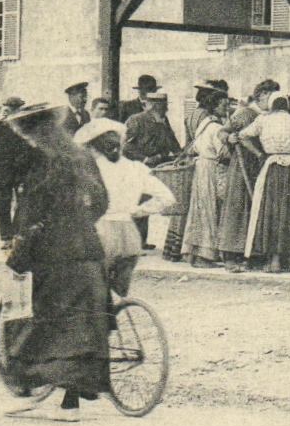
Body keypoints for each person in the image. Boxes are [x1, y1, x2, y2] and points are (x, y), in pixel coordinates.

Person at [0, 104, 111, 422]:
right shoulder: (82, 155)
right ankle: (69, 403)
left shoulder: (42, 160)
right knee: (82, 328)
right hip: (88, 249)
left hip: (54, 255)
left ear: (31, 132)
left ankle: (25, 389)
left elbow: (32, 212)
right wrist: (81, 223)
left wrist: (19, 249)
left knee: (37, 323)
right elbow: (101, 201)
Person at [75, 117, 175, 298]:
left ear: (93, 148)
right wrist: (137, 211)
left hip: (102, 234)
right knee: (117, 292)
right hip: (130, 236)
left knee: (91, 290)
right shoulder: (135, 168)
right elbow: (167, 198)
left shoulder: (92, 170)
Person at [241, 94, 290, 272]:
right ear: (287, 105)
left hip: (271, 167)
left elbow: (243, 136)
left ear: (272, 105)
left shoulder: (263, 120)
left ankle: (275, 260)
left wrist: (258, 153)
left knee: (271, 212)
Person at [216, 80, 280, 271]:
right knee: (237, 207)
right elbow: (222, 131)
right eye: (270, 95)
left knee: (257, 208)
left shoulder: (271, 115)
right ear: (262, 95)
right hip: (242, 166)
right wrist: (229, 138)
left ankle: (252, 255)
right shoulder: (245, 113)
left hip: (260, 165)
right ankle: (230, 255)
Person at [180, 87, 234, 268]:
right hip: (211, 168)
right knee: (210, 210)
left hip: (201, 168)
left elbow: (195, 147)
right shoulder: (217, 128)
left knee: (199, 211)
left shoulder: (204, 125)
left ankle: (193, 253)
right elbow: (223, 153)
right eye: (224, 105)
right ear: (215, 106)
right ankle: (205, 256)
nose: (226, 109)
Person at [122, 88, 180, 251]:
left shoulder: (163, 121)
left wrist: (179, 154)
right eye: (163, 106)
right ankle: (134, 242)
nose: (166, 109)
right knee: (137, 202)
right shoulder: (136, 120)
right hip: (138, 167)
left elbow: (172, 142)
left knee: (147, 202)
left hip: (156, 167)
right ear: (154, 106)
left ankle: (141, 241)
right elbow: (125, 146)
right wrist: (145, 159)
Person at [0, 96, 33, 248]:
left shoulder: (25, 127)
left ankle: (16, 234)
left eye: (10, 110)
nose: (6, 112)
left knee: (23, 203)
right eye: (5, 109)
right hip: (1, 172)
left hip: (21, 172)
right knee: (2, 206)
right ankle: (6, 238)